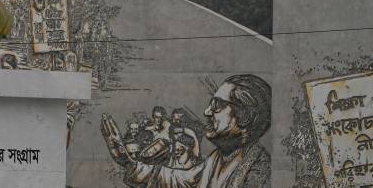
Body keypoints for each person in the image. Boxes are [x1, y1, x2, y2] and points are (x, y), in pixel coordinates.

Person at [102, 74, 272, 188]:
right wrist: (127, 161)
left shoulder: (260, 172)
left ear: (244, 116)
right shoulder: (217, 158)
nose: (206, 112)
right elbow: (180, 180)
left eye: (217, 105)